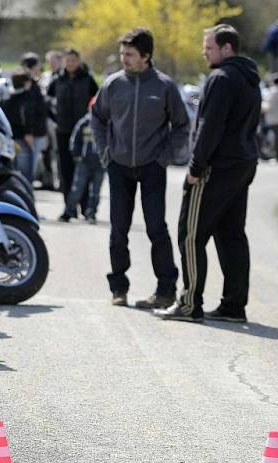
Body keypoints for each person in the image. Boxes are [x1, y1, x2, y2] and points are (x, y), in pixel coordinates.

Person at [157, 24, 261, 323]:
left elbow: (209, 127)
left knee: (190, 234)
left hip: (217, 166)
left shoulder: (221, 77)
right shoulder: (249, 78)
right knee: (231, 234)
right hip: (243, 164)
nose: (205, 52)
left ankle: (189, 305)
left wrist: (195, 168)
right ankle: (233, 306)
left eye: (210, 48)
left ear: (227, 48)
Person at [91, 27, 189, 308]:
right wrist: (105, 152)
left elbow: (181, 125)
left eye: (130, 54)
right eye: (122, 53)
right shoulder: (113, 84)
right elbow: (97, 118)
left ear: (146, 56)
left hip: (152, 166)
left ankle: (166, 290)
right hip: (119, 165)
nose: (124, 58)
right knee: (118, 229)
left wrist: (165, 156)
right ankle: (118, 288)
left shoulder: (164, 86)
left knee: (156, 227)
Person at [47, 48, 99, 208]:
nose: (70, 64)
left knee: (83, 169)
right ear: (64, 62)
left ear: (79, 61)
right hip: (63, 130)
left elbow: (97, 101)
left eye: (73, 60)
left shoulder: (88, 79)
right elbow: (48, 101)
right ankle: (69, 206)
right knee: (65, 169)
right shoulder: (57, 80)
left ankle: (84, 205)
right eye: (68, 61)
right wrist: (56, 119)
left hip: (84, 133)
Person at [59, 97, 104, 224]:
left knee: (95, 191)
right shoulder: (84, 123)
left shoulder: (107, 124)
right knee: (77, 188)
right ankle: (69, 211)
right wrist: (76, 155)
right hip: (84, 161)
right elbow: (74, 140)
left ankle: (91, 213)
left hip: (100, 162)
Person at [18, 53, 49, 183]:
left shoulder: (34, 83)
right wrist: (29, 132)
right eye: (37, 66)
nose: (40, 69)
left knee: (31, 169)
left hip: (36, 132)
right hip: (32, 134)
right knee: (28, 170)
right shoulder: (28, 85)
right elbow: (27, 110)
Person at [40, 50, 63, 191]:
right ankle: (47, 181)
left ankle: (61, 181)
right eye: (50, 61)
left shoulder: (63, 77)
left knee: (59, 152)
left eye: (55, 61)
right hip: (45, 119)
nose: (52, 64)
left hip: (58, 119)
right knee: (46, 151)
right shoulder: (45, 77)